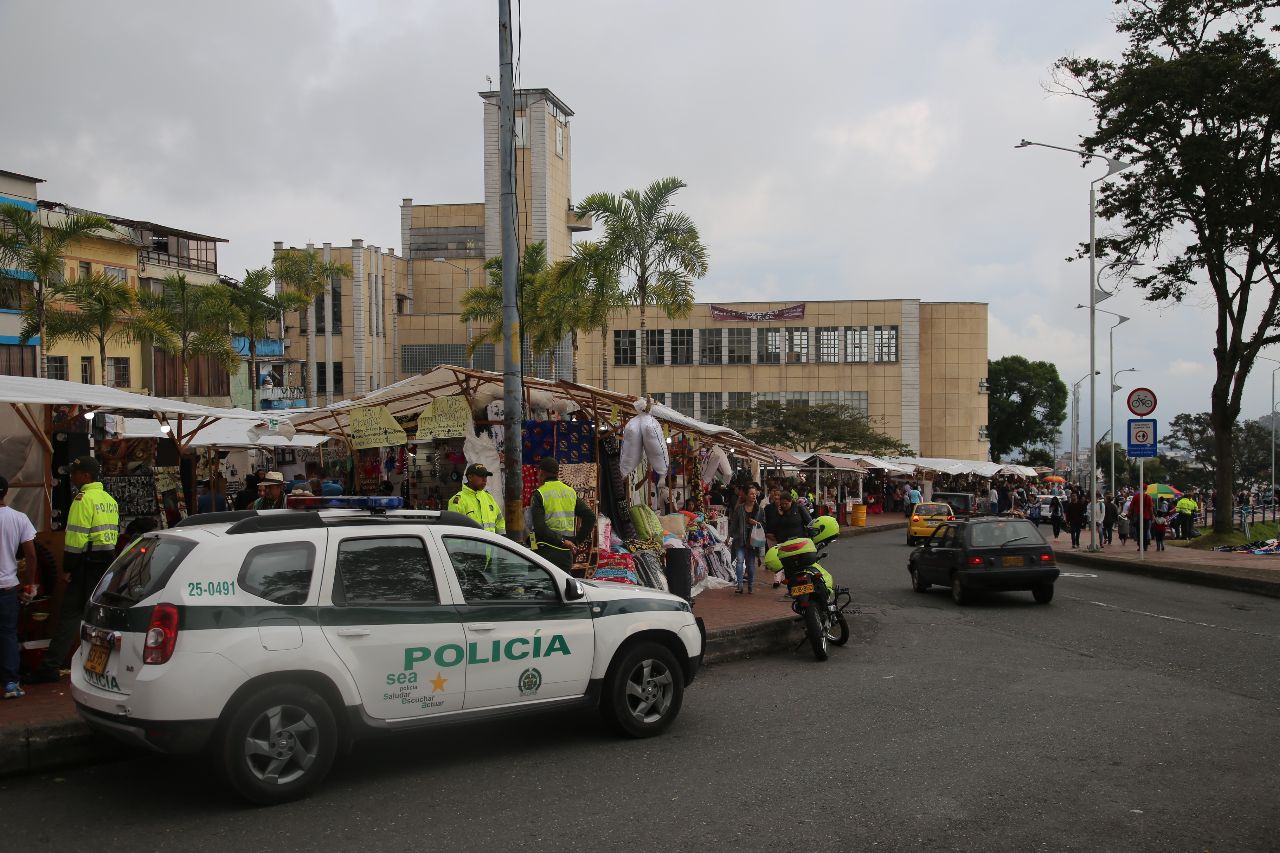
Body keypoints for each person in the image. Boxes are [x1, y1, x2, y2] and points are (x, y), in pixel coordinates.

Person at [27, 457, 119, 684]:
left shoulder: (82, 500)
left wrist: (68, 568)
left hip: (85, 566)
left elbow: (75, 540)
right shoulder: (109, 500)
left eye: (75, 473)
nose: (72, 476)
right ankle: (105, 665)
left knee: (69, 616)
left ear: (86, 476)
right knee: (100, 618)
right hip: (106, 565)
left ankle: (51, 666)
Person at [0, 476, 38, 699]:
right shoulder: (19, 518)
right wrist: (30, 583)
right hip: (8, 587)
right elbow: (31, 555)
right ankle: (11, 683)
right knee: (7, 634)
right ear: (6, 493)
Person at [529, 457, 595, 572]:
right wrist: (576, 541)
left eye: (539, 474)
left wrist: (562, 541)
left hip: (545, 552)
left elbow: (539, 528)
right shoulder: (570, 492)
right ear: (557, 473)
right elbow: (590, 517)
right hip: (565, 554)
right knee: (564, 588)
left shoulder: (539, 494)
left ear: (542, 473)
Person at [447, 463, 505, 534]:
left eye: (486, 476)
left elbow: (499, 520)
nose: (485, 480)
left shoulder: (488, 497)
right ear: (470, 477)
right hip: (469, 545)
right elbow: (454, 530)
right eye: (481, 476)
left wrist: (502, 537)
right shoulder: (458, 501)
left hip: (490, 544)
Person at [729, 483, 764, 594]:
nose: (754, 496)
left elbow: (764, 524)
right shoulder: (740, 509)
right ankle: (740, 585)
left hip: (753, 540)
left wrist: (756, 523)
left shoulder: (759, 510)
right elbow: (734, 523)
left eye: (755, 494)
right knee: (739, 561)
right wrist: (728, 536)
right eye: (751, 494)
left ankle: (750, 585)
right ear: (747, 495)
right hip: (740, 539)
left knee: (750, 564)